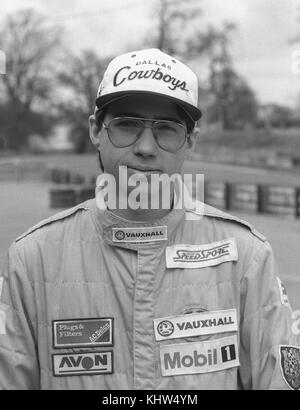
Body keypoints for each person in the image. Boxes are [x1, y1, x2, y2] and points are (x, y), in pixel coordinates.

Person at [0, 48, 299, 390]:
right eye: (127, 125)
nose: (145, 147)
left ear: (190, 141)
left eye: (166, 129)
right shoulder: (32, 259)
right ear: (96, 130)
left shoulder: (248, 257)